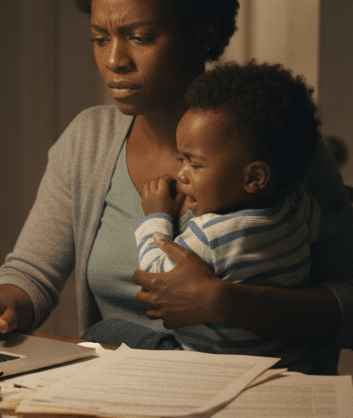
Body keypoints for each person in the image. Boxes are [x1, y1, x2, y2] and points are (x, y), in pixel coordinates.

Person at [0, 0, 353, 375]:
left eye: (140, 37)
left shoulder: (271, 146)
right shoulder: (87, 142)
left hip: (259, 398)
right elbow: (32, 273)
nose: (114, 60)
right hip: (124, 397)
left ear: (202, 34)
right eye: (99, 38)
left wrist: (230, 303)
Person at [135, 61, 320, 367]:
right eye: (181, 159)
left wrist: (155, 218)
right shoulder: (298, 207)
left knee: (106, 330)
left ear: (253, 178)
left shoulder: (209, 235)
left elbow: (157, 279)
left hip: (211, 368)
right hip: (283, 365)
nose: (180, 174)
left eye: (194, 164)